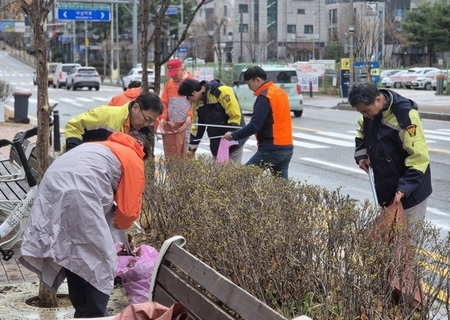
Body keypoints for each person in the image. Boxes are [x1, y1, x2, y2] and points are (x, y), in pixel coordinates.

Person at [19, 131, 149, 318]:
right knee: (103, 260)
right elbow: (128, 213)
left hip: (52, 187)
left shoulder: (100, 146)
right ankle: (95, 315)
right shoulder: (134, 157)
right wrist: (118, 225)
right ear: (143, 151)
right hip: (78, 194)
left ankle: (82, 313)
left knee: (73, 251)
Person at [348, 82, 432, 223]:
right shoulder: (371, 115)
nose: (364, 115)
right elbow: (361, 133)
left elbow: (419, 158)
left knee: (408, 240)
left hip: (411, 192)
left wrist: (404, 188)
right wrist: (361, 155)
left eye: (366, 111)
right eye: (361, 112)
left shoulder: (405, 116)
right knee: (389, 240)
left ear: (378, 100)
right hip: (387, 188)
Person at [223, 66, 293, 179]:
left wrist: (233, 135)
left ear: (257, 80)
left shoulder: (264, 97)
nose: (249, 87)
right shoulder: (280, 92)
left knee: (243, 178)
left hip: (271, 148)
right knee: (281, 189)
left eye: (249, 83)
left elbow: (255, 125)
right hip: (287, 147)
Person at [65, 92, 163, 151]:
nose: (146, 124)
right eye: (146, 119)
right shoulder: (105, 114)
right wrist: (75, 153)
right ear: (135, 107)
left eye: (151, 121)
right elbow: (73, 126)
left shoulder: (144, 131)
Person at [178, 78, 246, 163]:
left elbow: (236, 115)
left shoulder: (222, 91)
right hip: (216, 143)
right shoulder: (197, 103)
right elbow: (197, 127)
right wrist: (192, 149)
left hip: (233, 140)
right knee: (219, 174)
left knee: (232, 172)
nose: (188, 100)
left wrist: (232, 134)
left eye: (188, 98)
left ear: (193, 93)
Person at [159, 59, 194, 155]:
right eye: (171, 74)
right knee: (170, 150)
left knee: (184, 150)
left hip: (185, 124)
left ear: (182, 69)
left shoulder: (192, 82)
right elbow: (164, 103)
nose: (173, 76)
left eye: (175, 73)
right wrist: (162, 118)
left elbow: (195, 103)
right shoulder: (169, 84)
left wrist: (190, 116)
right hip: (170, 124)